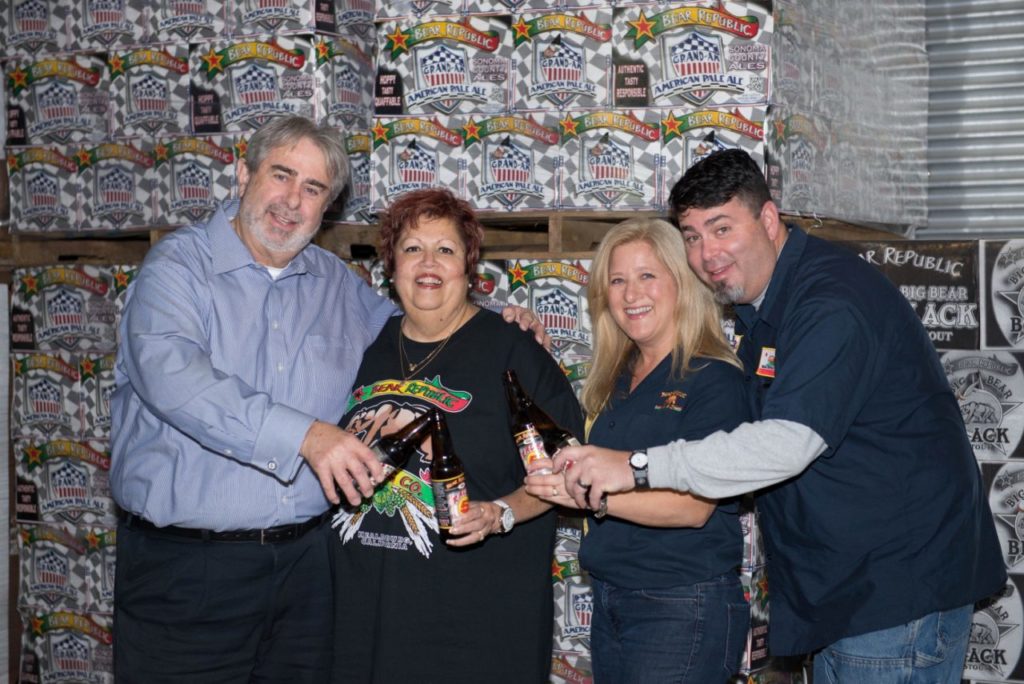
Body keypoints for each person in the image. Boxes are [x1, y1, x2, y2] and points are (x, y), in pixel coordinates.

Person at [542, 149, 1006, 683]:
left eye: (721, 228)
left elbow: (787, 442)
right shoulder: (764, 310)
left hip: (895, 589)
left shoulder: (830, 301)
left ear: (767, 218)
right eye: (692, 236)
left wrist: (636, 466)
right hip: (845, 590)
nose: (707, 253)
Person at [110, 115, 544, 683]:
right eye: (281, 175)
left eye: (313, 189)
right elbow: (177, 380)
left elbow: (418, 318)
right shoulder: (177, 270)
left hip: (308, 573)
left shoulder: (335, 284)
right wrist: (308, 438)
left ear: (328, 206)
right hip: (190, 570)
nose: (292, 200)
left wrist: (499, 321)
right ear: (243, 174)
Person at [329, 187, 583, 683]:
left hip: (474, 623)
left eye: (445, 250)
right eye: (412, 249)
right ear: (390, 266)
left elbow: (569, 470)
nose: (428, 263)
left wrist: (500, 513)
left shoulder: (513, 351)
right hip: (368, 619)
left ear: (469, 267)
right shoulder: (365, 346)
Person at [526, 217, 751, 683]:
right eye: (618, 280)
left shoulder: (715, 380)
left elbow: (692, 507)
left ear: (682, 282)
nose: (632, 294)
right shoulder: (614, 380)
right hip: (613, 597)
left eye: (648, 275)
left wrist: (594, 498)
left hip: (681, 601)